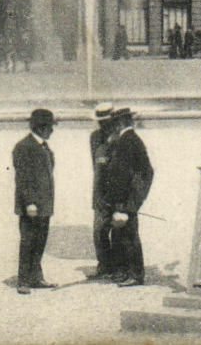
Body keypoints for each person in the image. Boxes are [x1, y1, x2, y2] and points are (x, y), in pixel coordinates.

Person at [98, 107, 153, 286]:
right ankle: (125, 272)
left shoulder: (128, 141)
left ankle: (135, 274)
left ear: (120, 123)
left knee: (130, 238)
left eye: (114, 124)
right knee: (121, 237)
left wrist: (130, 204)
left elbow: (139, 174)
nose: (112, 128)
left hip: (125, 201)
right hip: (121, 200)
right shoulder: (126, 140)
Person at [12, 108, 56, 293]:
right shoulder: (24, 147)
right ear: (41, 128)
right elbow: (22, 177)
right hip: (31, 206)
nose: (52, 130)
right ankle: (23, 280)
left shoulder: (43, 146)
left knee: (40, 241)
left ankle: (36, 277)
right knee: (28, 241)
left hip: (44, 205)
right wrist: (30, 202)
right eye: (49, 127)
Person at [88, 104, 121, 280]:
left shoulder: (119, 138)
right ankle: (104, 265)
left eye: (106, 121)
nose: (103, 125)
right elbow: (96, 165)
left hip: (115, 191)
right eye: (100, 122)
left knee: (117, 230)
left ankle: (118, 267)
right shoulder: (94, 137)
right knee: (99, 230)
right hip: (100, 190)